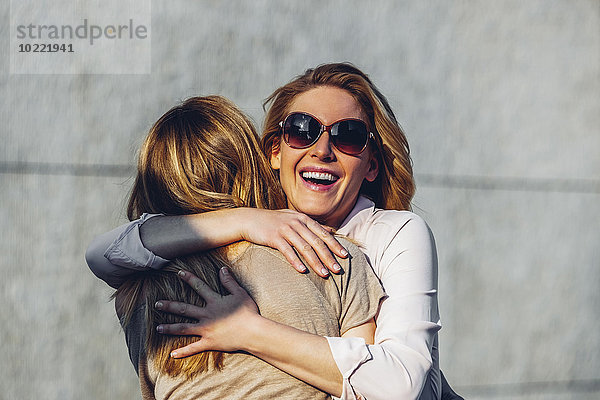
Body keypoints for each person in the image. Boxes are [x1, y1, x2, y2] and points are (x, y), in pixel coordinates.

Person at [87, 63, 449, 399]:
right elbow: (103, 255)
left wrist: (248, 330)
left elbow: (400, 384)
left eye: (348, 136)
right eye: (302, 130)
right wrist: (246, 220)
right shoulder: (256, 233)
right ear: (275, 152)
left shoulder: (393, 233)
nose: (322, 149)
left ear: (371, 165)